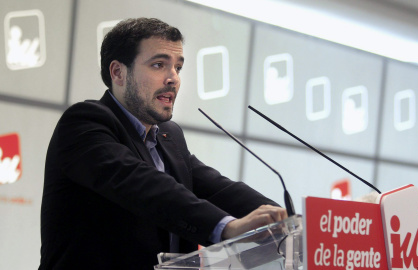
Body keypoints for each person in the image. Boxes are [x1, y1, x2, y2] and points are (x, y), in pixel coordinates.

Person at [39, 17, 287, 269]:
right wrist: (226, 227)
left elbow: (217, 190)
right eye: (159, 65)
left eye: (177, 68)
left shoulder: (169, 136)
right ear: (118, 72)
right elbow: (142, 184)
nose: (173, 79)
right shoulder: (85, 123)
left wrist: (287, 223)